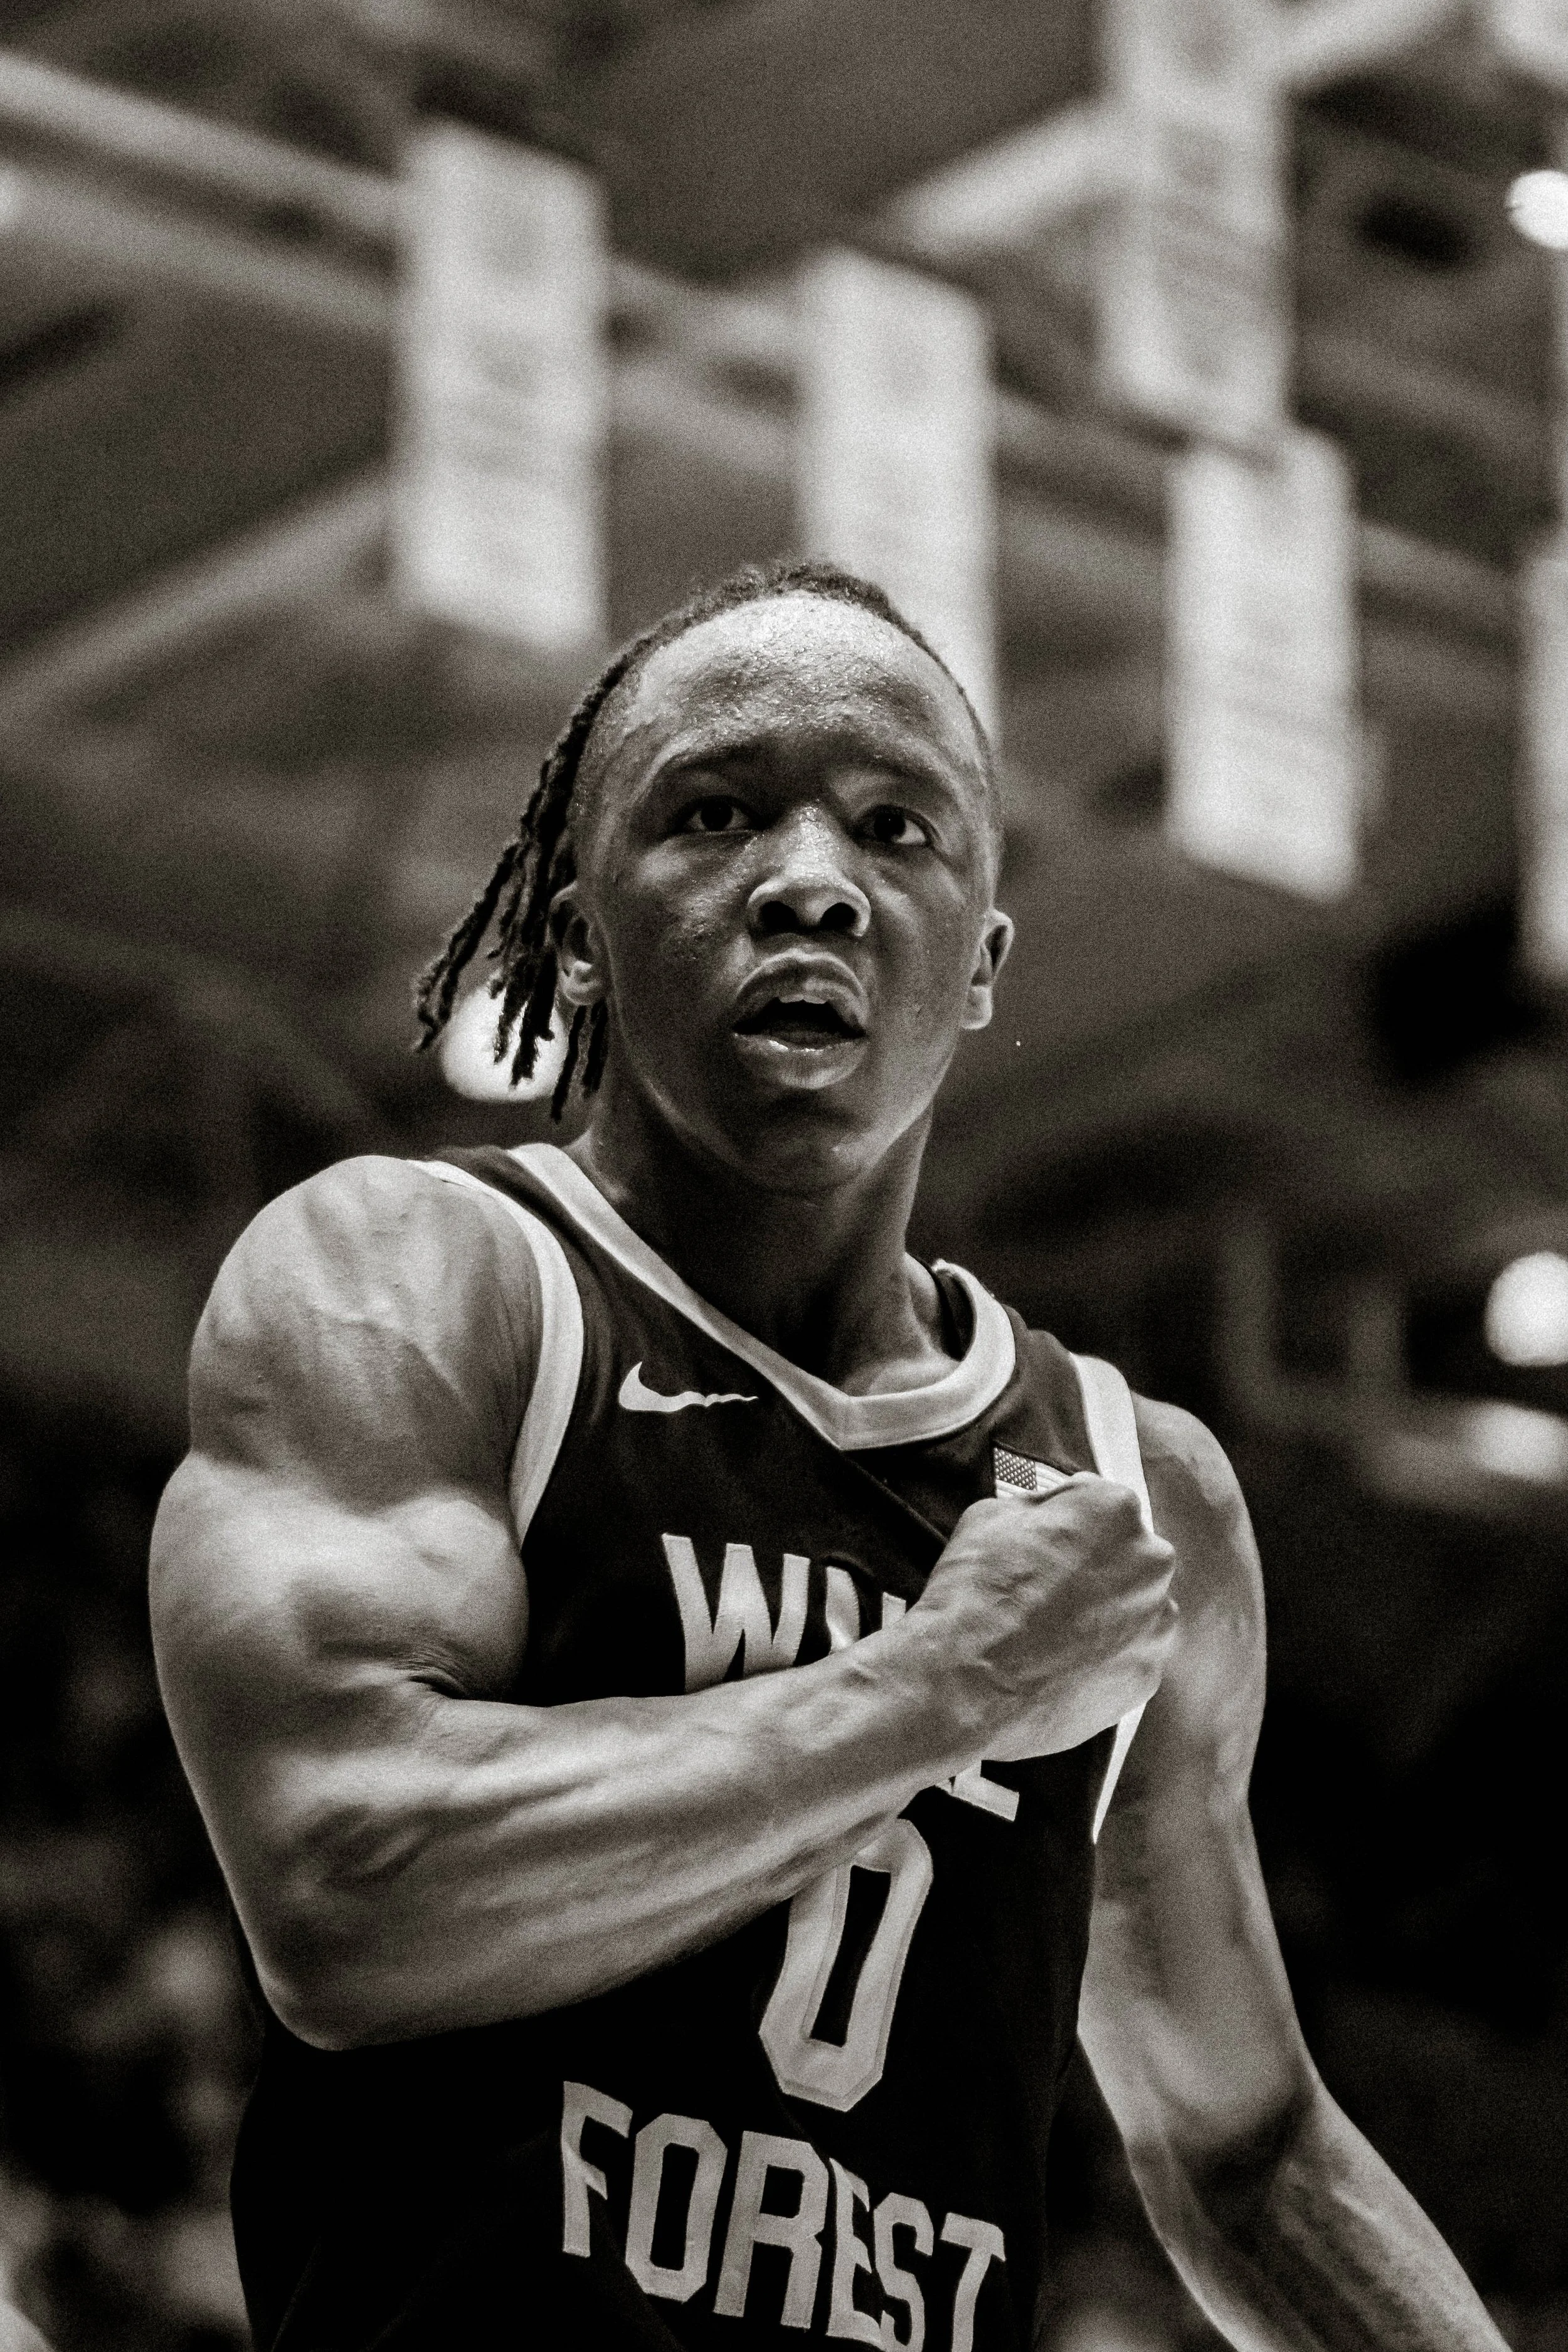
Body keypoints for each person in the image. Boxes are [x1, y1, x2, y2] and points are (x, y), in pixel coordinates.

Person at [151, 562, 1505, 2352]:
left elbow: (1245, 2147)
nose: (809, 881)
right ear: (571, 929)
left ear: (983, 966)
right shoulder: (422, 1282)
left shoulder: (1126, 1486)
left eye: (895, 828)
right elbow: (352, 1886)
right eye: (714, 813)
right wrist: (941, 1683)